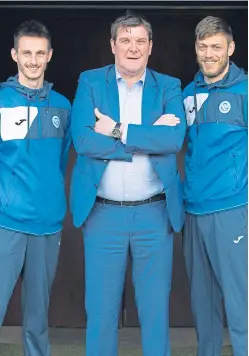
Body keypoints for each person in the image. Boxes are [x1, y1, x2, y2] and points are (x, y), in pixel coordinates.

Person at [71, 11, 186, 356]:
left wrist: (119, 130)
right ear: (113, 45)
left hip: (154, 214)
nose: (132, 48)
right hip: (103, 215)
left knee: (154, 313)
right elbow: (83, 140)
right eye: (125, 40)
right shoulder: (91, 82)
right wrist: (147, 139)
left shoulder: (168, 86)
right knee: (101, 313)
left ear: (150, 47)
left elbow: (174, 139)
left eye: (139, 41)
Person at [0, 20, 71, 356]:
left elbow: (59, 162)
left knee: (37, 320)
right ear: (14, 54)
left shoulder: (63, 106)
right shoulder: (1, 100)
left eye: (39, 53)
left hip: (47, 226)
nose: (32, 60)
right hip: (6, 224)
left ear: (49, 55)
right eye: (26, 52)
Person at [182, 16, 248, 356]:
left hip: (232, 210)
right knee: (203, 306)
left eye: (216, 47)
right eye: (203, 47)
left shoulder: (244, 91)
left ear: (231, 49)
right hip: (194, 210)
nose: (209, 54)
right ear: (196, 49)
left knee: (241, 304)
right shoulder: (188, 94)